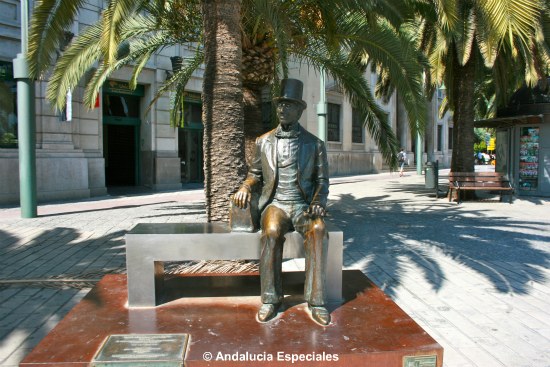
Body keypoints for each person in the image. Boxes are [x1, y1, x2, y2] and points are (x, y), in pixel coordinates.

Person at [232, 79, 330, 326]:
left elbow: (322, 181)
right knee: (271, 233)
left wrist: (318, 201)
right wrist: (245, 186)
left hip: (302, 205)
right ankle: (270, 299)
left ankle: (316, 301)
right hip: (275, 204)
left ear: (299, 110)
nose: (282, 110)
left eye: (288, 105)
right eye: (279, 105)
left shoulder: (315, 144)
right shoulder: (262, 141)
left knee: (318, 230)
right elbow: (255, 174)